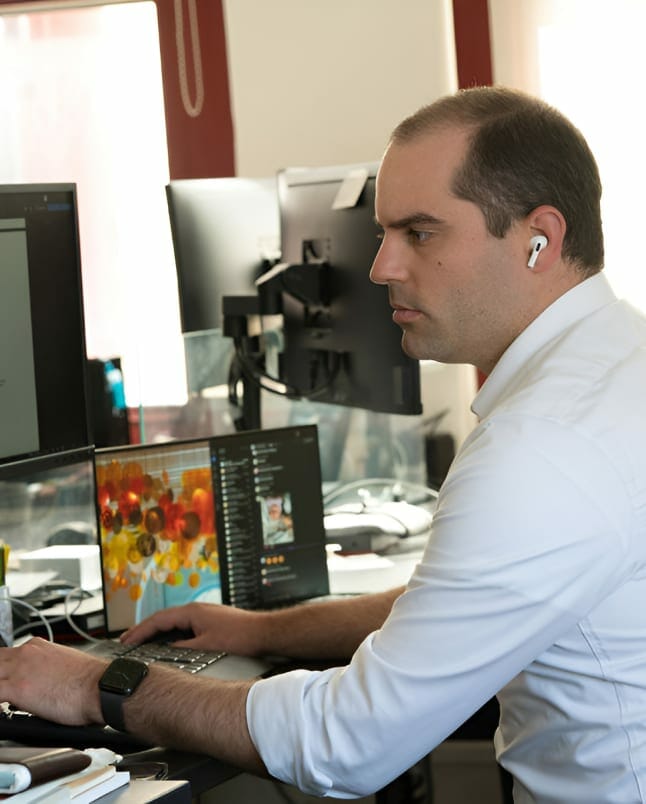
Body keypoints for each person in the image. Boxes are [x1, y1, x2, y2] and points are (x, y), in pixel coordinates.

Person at [1, 85, 645, 803]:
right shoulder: (616, 361)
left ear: (539, 239)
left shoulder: (542, 448)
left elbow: (346, 743)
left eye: (420, 233)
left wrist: (98, 685)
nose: (381, 268)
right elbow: (462, 606)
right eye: (384, 233)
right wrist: (263, 631)